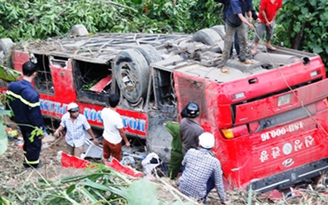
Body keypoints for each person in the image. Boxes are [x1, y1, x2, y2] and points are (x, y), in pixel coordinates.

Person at [6, 61, 45, 168]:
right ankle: (31, 165)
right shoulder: (32, 95)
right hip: (29, 124)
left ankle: (27, 159)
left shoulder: (12, 86)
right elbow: (35, 115)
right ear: (34, 73)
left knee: (26, 141)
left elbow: (8, 101)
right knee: (34, 144)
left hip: (18, 120)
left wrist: (11, 116)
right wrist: (40, 130)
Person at [179, 132, 228, 204]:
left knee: (186, 166)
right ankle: (203, 199)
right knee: (216, 176)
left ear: (199, 144)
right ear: (212, 147)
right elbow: (219, 184)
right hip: (198, 196)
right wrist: (223, 200)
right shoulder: (214, 161)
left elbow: (183, 164)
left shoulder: (190, 151)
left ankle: (187, 184)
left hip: (182, 188)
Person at [221, 0, 255, 72]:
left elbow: (249, 10)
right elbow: (240, 16)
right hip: (231, 23)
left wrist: (250, 17)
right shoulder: (234, 1)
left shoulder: (248, 0)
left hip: (240, 23)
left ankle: (243, 58)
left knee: (243, 40)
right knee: (228, 43)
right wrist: (249, 25)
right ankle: (223, 64)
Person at [101, 94, 130, 163]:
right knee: (116, 160)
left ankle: (105, 167)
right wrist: (126, 142)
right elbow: (121, 132)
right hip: (115, 142)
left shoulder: (104, 111)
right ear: (118, 103)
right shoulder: (117, 117)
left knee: (105, 156)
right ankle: (114, 171)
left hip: (106, 138)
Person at [165, 109, 188, 179]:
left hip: (177, 152)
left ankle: (170, 179)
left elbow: (167, 124)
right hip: (188, 153)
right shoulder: (195, 128)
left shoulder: (176, 127)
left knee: (172, 170)